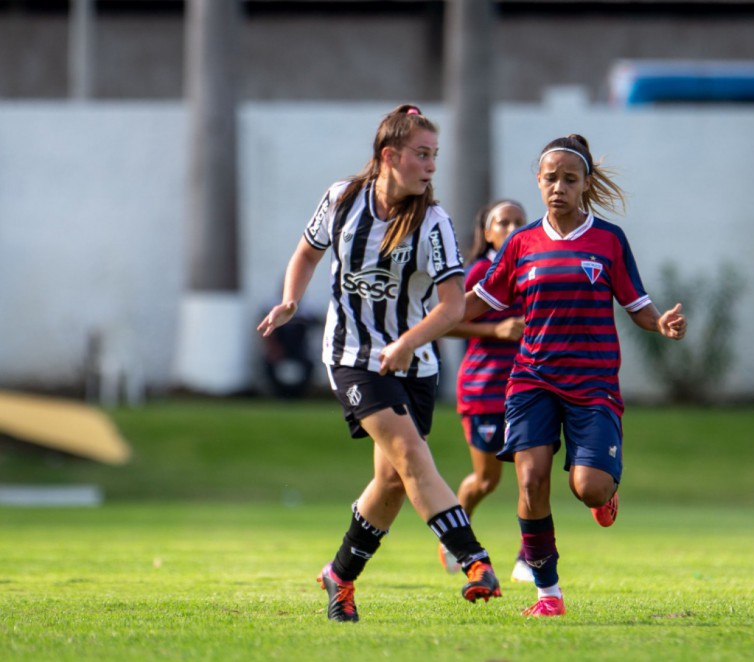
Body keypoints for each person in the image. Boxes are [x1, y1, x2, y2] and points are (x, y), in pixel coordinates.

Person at [257, 104, 501, 623]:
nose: (432, 165)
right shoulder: (342, 198)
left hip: (414, 364)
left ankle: (339, 577)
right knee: (412, 454)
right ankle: (472, 559)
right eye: (421, 154)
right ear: (389, 156)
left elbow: (453, 306)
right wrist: (290, 300)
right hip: (352, 357)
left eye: (435, 155)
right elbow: (306, 253)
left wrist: (408, 342)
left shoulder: (433, 222)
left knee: (392, 482)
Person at [462, 134, 687, 617]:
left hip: (593, 385)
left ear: (585, 184)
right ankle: (549, 596)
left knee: (589, 487)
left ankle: (606, 493)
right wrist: (429, 314)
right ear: (538, 182)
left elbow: (638, 306)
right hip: (532, 380)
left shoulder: (608, 240)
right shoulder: (520, 244)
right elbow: (477, 302)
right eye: (550, 178)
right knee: (530, 483)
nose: (559, 187)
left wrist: (661, 323)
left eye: (570, 178)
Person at [438, 200, 533, 583]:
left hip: (529, 387)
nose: (511, 228)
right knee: (487, 480)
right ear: (488, 231)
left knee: (532, 473)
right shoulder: (479, 271)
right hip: (484, 390)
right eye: (502, 222)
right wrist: (494, 330)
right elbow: (445, 322)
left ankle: (529, 557)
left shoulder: (536, 268)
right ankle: (455, 531)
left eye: (519, 222)